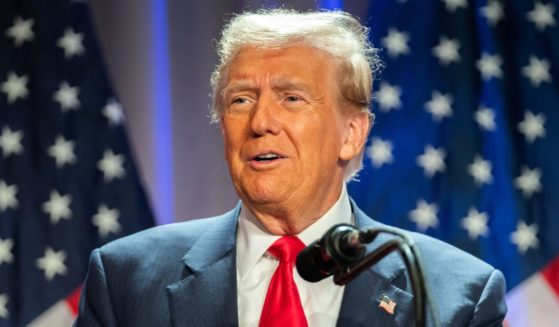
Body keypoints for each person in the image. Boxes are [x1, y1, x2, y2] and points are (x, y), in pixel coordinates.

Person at [75, 9, 507, 327]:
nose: (260, 122)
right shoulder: (125, 279)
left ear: (351, 133)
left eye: (291, 98)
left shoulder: (456, 295)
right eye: (240, 100)